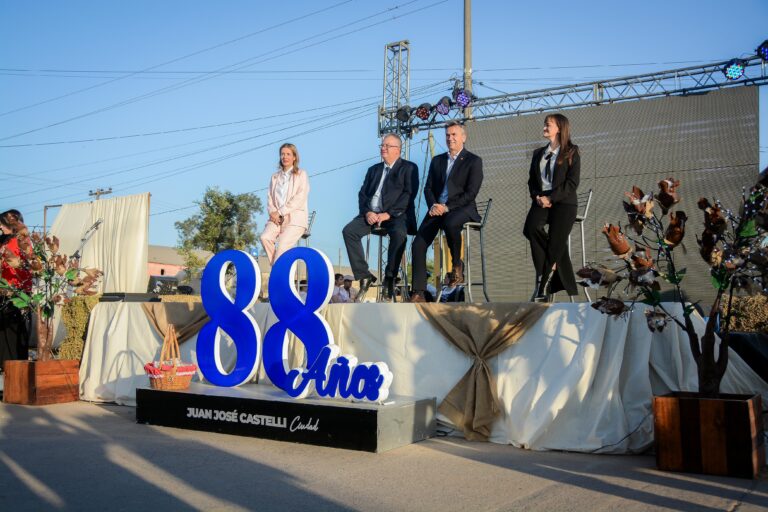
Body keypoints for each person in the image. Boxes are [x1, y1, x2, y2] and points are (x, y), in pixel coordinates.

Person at [410, 121, 483, 302]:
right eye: (448, 135)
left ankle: (457, 264)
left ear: (463, 137)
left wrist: (447, 206)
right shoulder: (438, 161)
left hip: (461, 208)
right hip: (437, 209)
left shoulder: (473, 161)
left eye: (454, 135)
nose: (450, 138)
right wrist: (434, 205)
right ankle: (418, 292)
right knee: (418, 244)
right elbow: (428, 188)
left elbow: (471, 193)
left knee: (451, 223)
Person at [342, 134, 419, 301]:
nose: (383, 148)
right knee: (349, 231)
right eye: (382, 145)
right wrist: (368, 212)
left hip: (396, 215)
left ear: (398, 149)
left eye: (387, 146)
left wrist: (389, 213)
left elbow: (408, 195)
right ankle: (364, 275)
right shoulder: (373, 170)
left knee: (399, 235)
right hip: (372, 214)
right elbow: (362, 194)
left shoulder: (409, 168)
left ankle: (389, 278)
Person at [523, 113, 581, 301]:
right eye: (545, 124)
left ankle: (543, 285)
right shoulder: (538, 153)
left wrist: (552, 198)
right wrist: (538, 197)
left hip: (563, 202)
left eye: (548, 125)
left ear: (559, 128)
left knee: (556, 241)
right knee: (531, 228)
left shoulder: (572, 151)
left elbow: (572, 183)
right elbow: (532, 181)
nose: (544, 128)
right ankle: (552, 269)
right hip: (542, 201)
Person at [260, 143, 310, 265]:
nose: (285, 157)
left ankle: (277, 272)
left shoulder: (301, 174)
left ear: (294, 157)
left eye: (288, 154)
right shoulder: (275, 177)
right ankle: (278, 267)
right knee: (265, 237)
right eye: (282, 154)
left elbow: (300, 197)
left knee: (282, 245)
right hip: (277, 218)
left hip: (295, 219)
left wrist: (280, 211)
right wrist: (273, 213)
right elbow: (270, 197)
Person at [0, 209, 32, 370]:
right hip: (9, 292)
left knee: (12, 339)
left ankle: (12, 378)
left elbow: (20, 266)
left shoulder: (19, 241)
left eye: (2, 226)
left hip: (15, 294)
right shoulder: (8, 240)